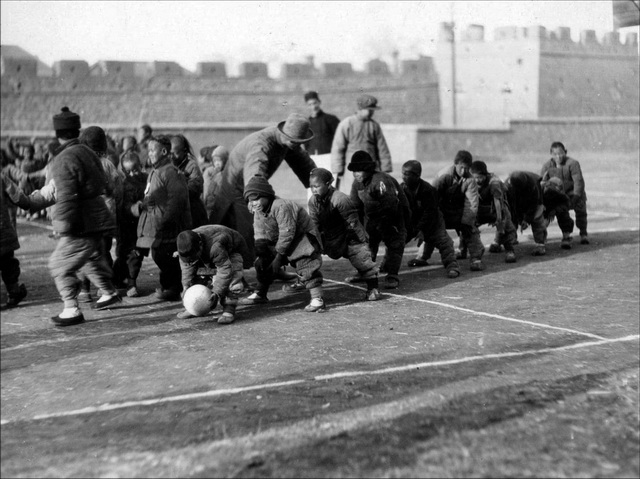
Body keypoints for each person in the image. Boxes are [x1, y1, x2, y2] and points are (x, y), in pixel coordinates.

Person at [33, 107, 120, 325]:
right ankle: (109, 292)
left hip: (80, 222)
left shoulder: (63, 159)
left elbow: (67, 196)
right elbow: (105, 184)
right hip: (99, 217)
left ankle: (71, 309)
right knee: (90, 258)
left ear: (57, 134)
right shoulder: (89, 152)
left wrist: (62, 224)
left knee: (59, 265)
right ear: (77, 130)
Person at [208, 113, 317, 269]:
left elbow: (304, 163)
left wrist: (319, 184)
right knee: (247, 233)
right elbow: (254, 174)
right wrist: (257, 200)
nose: (295, 144)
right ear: (284, 134)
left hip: (250, 186)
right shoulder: (261, 145)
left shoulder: (287, 141)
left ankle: (273, 269)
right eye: (294, 141)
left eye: (298, 142)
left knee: (270, 225)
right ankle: (237, 278)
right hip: (238, 190)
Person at [240, 175, 326, 312]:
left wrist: (278, 258)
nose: (254, 202)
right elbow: (259, 232)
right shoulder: (258, 210)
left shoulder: (281, 206)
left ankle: (317, 298)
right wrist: (262, 252)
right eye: (250, 199)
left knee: (306, 264)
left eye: (256, 198)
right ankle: (260, 293)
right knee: (262, 262)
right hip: (280, 242)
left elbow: (288, 233)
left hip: (302, 240)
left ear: (267, 195)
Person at [307, 167, 381, 301]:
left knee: (360, 257)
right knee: (306, 252)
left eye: (317, 186)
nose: (313, 190)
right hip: (329, 235)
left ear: (328, 185)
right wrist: (314, 242)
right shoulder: (313, 201)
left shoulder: (341, 199)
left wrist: (359, 241)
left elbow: (352, 223)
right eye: (311, 186)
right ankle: (305, 281)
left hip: (348, 234)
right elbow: (314, 224)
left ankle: (373, 287)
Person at [133, 135, 191, 301]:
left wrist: (166, 220)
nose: (149, 154)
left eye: (153, 150)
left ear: (164, 151)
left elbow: (177, 199)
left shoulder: (171, 172)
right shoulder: (155, 172)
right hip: (156, 223)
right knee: (159, 254)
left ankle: (174, 287)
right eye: (149, 150)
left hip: (169, 225)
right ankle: (168, 286)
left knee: (165, 254)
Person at [347, 150, 410, 289]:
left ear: (368, 169)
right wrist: (358, 227)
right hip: (373, 218)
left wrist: (386, 225)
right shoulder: (357, 184)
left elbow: (391, 205)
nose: (356, 174)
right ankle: (365, 272)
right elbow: (355, 207)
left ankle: (393, 275)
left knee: (395, 245)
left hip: (394, 217)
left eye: (360, 170)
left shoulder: (381, 181)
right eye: (354, 171)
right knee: (368, 245)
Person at [77, 126, 125, 299]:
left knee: (85, 253)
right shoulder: (108, 165)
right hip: (105, 217)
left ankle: (84, 289)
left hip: (86, 217)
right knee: (104, 251)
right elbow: (118, 190)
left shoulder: (81, 164)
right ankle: (105, 286)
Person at [175, 225, 250, 324]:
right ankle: (195, 307)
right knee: (197, 275)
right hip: (211, 254)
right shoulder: (186, 247)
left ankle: (229, 308)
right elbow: (187, 267)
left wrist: (217, 292)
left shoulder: (215, 246)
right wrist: (186, 286)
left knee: (232, 275)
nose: (190, 261)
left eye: (193, 257)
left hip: (232, 250)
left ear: (200, 245)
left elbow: (225, 270)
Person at [400, 160, 461, 278]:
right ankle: (388, 265)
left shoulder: (428, 190)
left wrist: (420, 230)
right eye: (403, 173)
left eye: (407, 174)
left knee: (445, 242)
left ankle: (452, 266)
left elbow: (430, 213)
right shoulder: (401, 189)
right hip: (414, 223)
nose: (403, 177)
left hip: (433, 222)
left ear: (417, 176)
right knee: (397, 241)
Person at [433, 150, 485, 271]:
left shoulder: (470, 180)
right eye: (461, 167)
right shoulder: (444, 175)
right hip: (441, 211)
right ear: (455, 164)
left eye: (467, 168)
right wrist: (434, 217)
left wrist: (467, 221)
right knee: (433, 231)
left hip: (458, 212)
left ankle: (476, 258)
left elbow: (471, 203)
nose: (464, 171)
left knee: (471, 229)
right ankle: (422, 256)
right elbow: (432, 198)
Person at [331, 93, 392, 192]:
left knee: (371, 191)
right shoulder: (347, 123)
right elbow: (338, 148)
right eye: (369, 110)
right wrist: (337, 169)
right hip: (352, 168)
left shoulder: (374, 126)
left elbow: (382, 148)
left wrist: (386, 167)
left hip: (371, 166)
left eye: (373, 110)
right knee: (351, 192)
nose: (371, 112)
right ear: (360, 109)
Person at [540, 141, 589, 249]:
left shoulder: (573, 163)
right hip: (559, 196)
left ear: (565, 152)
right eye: (555, 154)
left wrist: (575, 198)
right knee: (559, 211)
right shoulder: (547, 166)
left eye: (561, 153)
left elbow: (578, 181)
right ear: (551, 155)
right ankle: (565, 236)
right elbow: (542, 184)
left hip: (574, 193)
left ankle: (583, 233)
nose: (558, 156)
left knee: (581, 212)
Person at [112, 151, 148, 297]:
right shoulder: (124, 184)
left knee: (136, 255)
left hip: (141, 226)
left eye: (135, 170)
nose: (132, 174)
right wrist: (137, 207)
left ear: (140, 166)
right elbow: (123, 207)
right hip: (126, 226)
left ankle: (131, 282)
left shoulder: (147, 179)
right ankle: (117, 279)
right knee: (123, 255)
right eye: (128, 171)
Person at [469, 160, 518, 263]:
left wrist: (499, 219)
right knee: (467, 227)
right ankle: (463, 249)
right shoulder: (469, 181)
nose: (478, 180)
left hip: (495, 209)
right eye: (476, 177)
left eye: (480, 177)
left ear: (485, 175)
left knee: (505, 228)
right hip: (477, 210)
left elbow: (498, 202)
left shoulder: (494, 182)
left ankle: (510, 251)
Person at [0, 173, 28, 309]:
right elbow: (18, 196)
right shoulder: (1, 177)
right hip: (3, 232)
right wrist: (29, 204)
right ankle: (14, 293)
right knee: (8, 264)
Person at [505, 171, 548, 256]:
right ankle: (507, 239)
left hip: (534, 201)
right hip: (516, 202)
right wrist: (518, 219)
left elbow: (533, 204)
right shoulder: (508, 186)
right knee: (509, 217)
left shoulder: (533, 185)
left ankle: (540, 244)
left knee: (537, 218)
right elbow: (511, 205)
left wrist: (527, 220)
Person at [170, 134, 208, 228]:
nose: (172, 157)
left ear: (184, 151)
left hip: (192, 210)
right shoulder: (170, 165)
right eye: (170, 153)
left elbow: (195, 187)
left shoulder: (191, 166)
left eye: (176, 153)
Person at [304, 91, 340, 156]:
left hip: (329, 156)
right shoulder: (306, 124)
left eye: (315, 103)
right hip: (313, 157)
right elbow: (306, 144)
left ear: (319, 102)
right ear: (307, 106)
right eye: (310, 104)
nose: (313, 107)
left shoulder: (331, 119)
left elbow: (339, 138)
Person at [203, 145, 229, 219]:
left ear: (225, 161)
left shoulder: (227, 175)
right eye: (215, 161)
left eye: (219, 160)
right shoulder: (212, 174)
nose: (217, 163)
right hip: (211, 207)